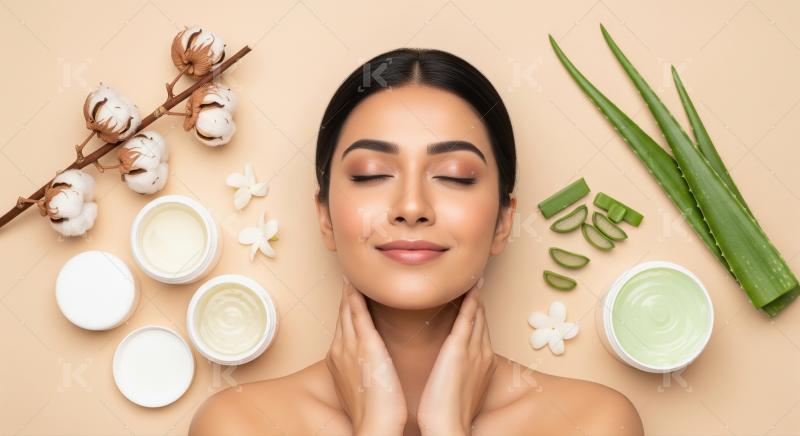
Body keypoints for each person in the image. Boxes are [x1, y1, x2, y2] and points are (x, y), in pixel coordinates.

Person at [189, 47, 644, 436]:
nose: (411, 205)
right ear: (324, 216)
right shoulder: (240, 424)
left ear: (505, 220)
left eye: (455, 176)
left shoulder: (591, 423)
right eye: (371, 174)